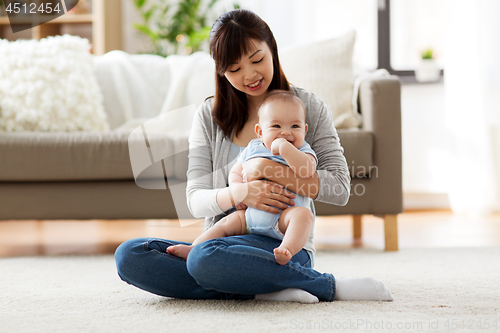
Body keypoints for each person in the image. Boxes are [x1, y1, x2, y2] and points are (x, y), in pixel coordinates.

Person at [115, 9, 394, 303]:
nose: (249, 75)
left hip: (283, 248)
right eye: (234, 69)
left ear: (271, 48)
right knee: (131, 255)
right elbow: (195, 199)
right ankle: (266, 288)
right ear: (220, 71)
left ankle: (322, 285)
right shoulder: (209, 117)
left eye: (257, 60)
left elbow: (339, 189)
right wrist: (242, 193)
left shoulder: (306, 107)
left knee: (202, 261)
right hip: (223, 242)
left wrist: (269, 170)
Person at [167, 91, 317, 265]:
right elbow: (236, 172)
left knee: (303, 216)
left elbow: (307, 170)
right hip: (250, 217)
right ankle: (195, 248)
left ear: (304, 130)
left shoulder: (303, 150)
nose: (285, 133)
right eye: (276, 126)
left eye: (295, 127)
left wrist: (284, 148)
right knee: (225, 223)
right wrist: (239, 191)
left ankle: (287, 250)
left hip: (284, 220)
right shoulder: (253, 148)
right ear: (260, 132)